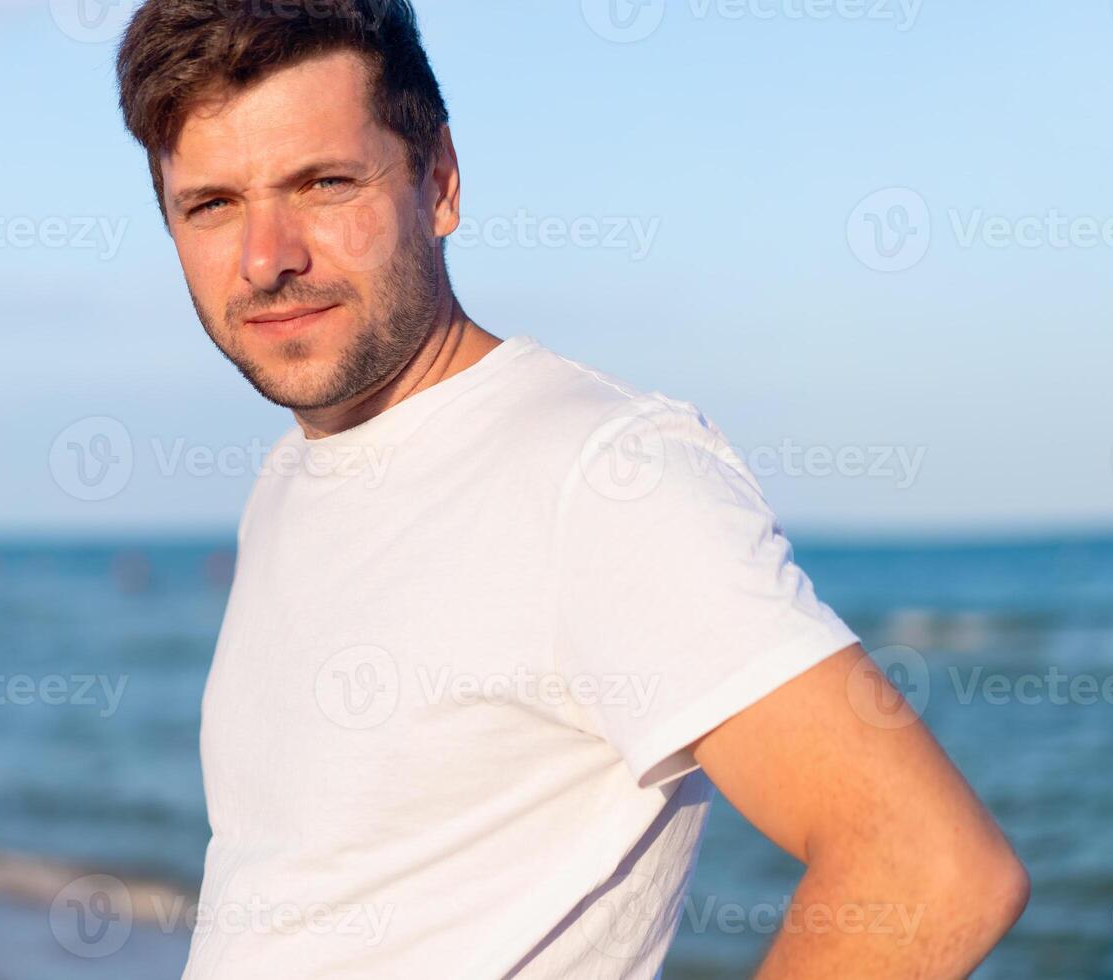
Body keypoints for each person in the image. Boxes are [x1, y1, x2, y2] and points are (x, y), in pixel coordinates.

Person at [115, 2, 1029, 976]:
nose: (268, 257)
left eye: (324, 183)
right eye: (212, 203)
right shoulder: (293, 473)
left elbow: (930, 866)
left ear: (440, 180)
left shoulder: (602, 476)